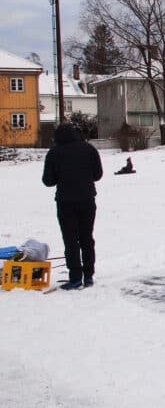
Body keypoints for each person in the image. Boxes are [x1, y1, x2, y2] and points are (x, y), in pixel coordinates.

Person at [41, 123, 103, 290]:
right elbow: (98, 175)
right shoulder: (89, 149)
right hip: (87, 200)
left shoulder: (54, 153)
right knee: (86, 238)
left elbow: (48, 181)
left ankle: (75, 277)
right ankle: (89, 275)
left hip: (65, 202)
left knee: (71, 240)